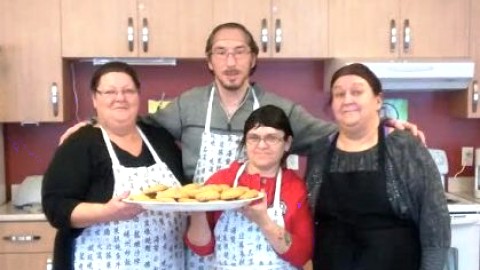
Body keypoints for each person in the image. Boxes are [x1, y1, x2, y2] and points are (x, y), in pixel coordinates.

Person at [59, 22, 423, 269]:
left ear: (253, 58)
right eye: (221, 52)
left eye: (239, 52)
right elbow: (139, 123)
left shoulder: (281, 109)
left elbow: (333, 133)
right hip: (202, 239)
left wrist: (384, 124)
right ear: (209, 60)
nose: (230, 62)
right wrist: (95, 122)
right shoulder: (188, 105)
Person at [42, 62, 188, 270]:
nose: (120, 98)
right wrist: (107, 212)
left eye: (128, 91)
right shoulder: (80, 143)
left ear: (138, 96)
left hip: (166, 262)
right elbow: (56, 208)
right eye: (110, 91)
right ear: (94, 98)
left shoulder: (160, 138)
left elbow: (184, 193)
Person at [306, 63, 450, 270]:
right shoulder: (320, 150)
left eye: (356, 91)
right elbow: (310, 220)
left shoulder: (404, 146)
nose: (347, 100)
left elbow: (436, 223)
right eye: (339, 94)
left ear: (378, 100)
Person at [185, 105, 313, 269]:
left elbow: (302, 254)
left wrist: (265, 222)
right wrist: (197, 211)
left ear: (287, 143)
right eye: (253, 137)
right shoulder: (221, 181)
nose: (261, 145)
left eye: (271, 138)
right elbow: (201, 248)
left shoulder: (295, 188)